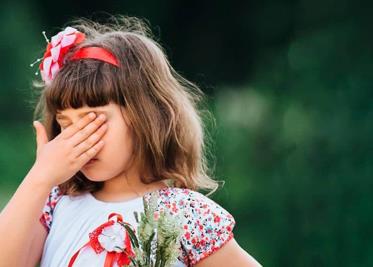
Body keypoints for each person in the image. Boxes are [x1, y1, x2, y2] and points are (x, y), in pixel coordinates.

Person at [0, 15, 262, 267]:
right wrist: (40, 178)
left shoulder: (185, 214)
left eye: (93, 121)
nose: (77, 138)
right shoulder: (56, 203)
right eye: (66, 125)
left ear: (144, 116)